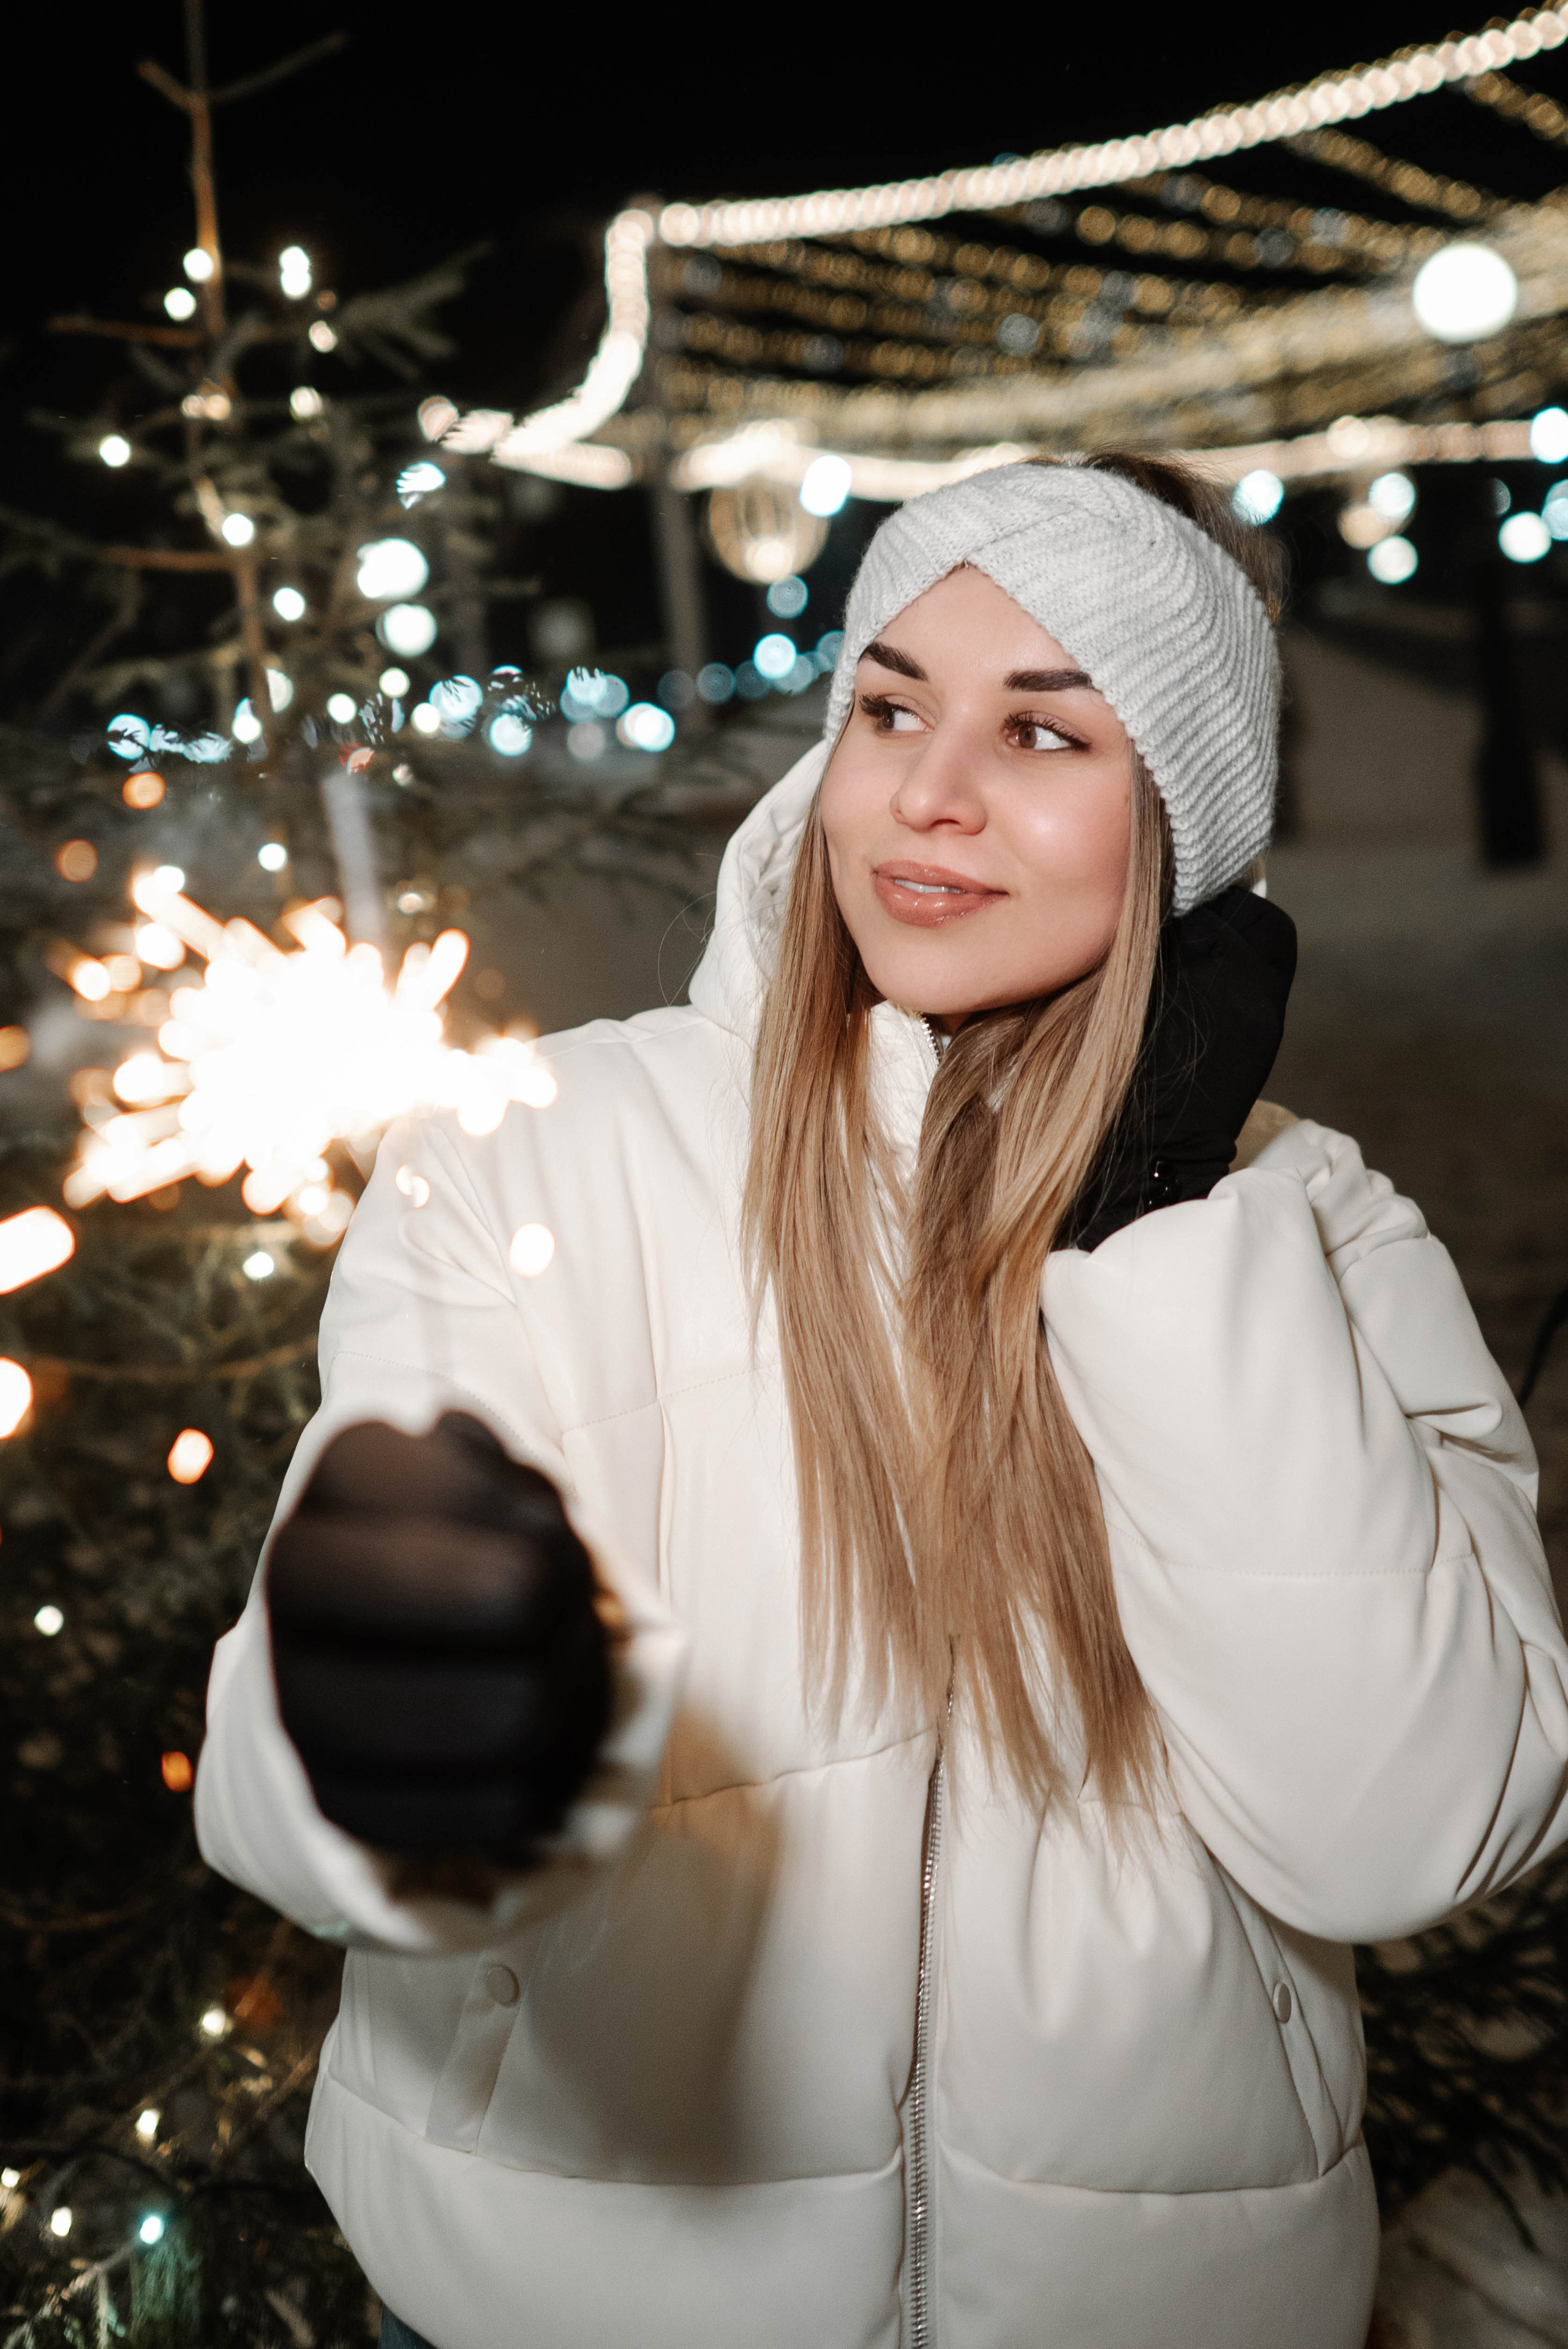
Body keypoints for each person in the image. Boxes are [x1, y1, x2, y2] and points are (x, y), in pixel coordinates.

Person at [195, 456, 1568, 2349]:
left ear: (1186, 823)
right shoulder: (534, 1162)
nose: (931, 791)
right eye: (891, 704)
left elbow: (1406, 1831)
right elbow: (291, 1778)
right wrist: (399, 1722)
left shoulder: (1318, 1232)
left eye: (1046, 732)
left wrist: (1164, 1231)